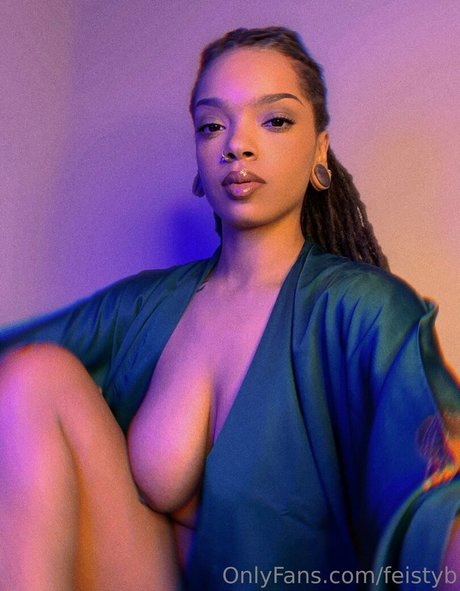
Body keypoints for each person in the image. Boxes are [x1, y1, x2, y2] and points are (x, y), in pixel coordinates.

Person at [0, 26, 459, 591]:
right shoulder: (146, 303)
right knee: (32, 375)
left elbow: (438, 500)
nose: (236, 145)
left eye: (275, 120)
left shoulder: (362, 309)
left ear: (319, 151)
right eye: (212, 125)